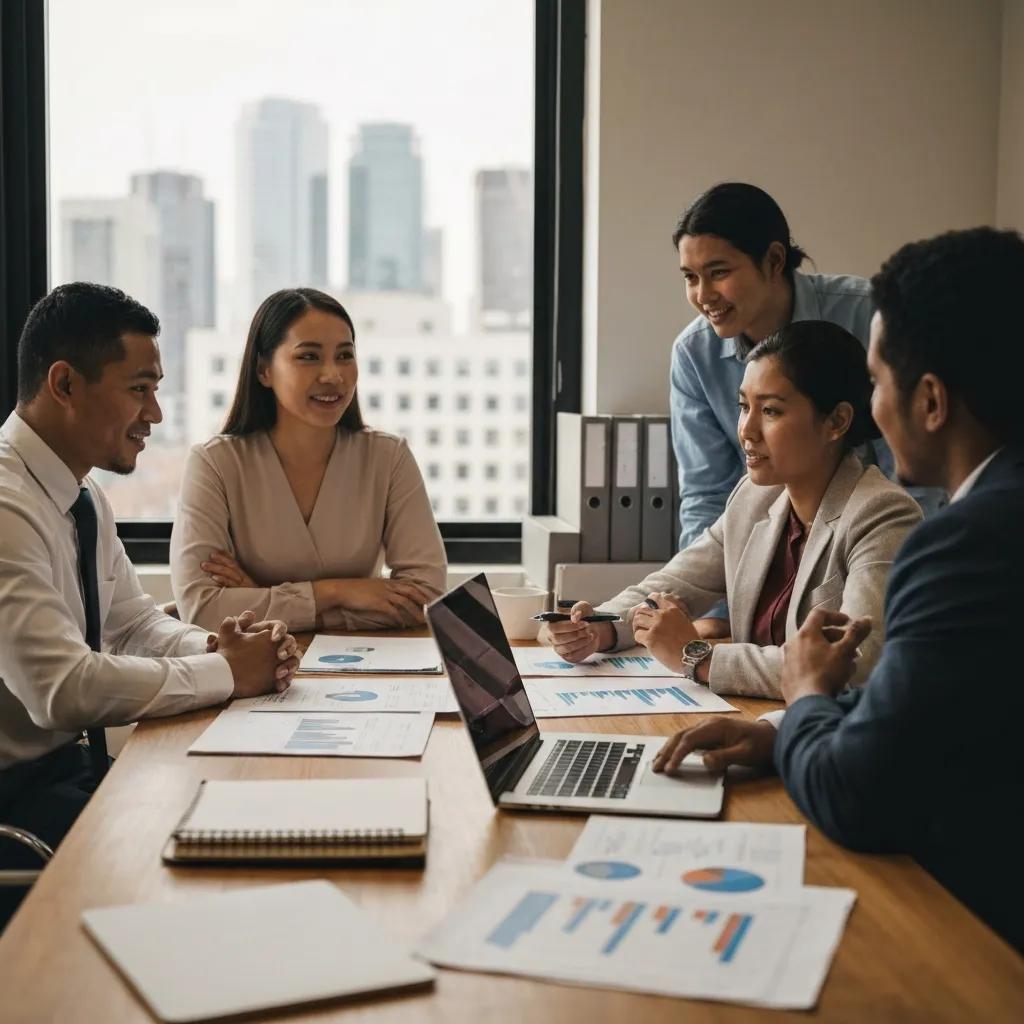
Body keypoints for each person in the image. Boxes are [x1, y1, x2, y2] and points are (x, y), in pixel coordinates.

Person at [654, 227, 1024, 953]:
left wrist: (805, 699)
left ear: (931, 401)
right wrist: (776, 733)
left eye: (878, 382)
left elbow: (856, 792)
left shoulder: (965, 544)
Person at [0, 283, 299, 927]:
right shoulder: (5, 504)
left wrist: (225, 649)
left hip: (72, 771)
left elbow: (134, 624)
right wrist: (225, 674)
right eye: (140, 388)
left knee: (251, 818)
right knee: (221, 878)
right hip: (18, 806)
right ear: (64, 383)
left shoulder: (80, 497)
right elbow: (61, 689)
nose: (156, 414)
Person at [540, 320, 921, 697]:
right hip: (750, 721)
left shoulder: (882, 514)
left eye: (770, 411)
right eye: (743, 407)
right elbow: (672, 586)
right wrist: (598, 628)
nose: (747, 430)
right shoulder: (755, 499)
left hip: (824, 740)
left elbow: (855, 664)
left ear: (836, 421)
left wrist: (699, 658)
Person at [669, 183, 942, 637]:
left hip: (875, 545)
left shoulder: (870, 315)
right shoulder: (693, 354)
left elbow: (916, 471)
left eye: (718, 272)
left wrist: (910, 587)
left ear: (774, 261)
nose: (704, 295)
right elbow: (706, 494)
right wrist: (714, 617)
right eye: (690, 278)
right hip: (779, 553)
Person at [171, 288, 446, 633]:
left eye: (345, 356)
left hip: (364, 667)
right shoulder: (215, 464)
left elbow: (425, 597)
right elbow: (201, 609)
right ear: (263, 370)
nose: (333, 375)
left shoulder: (388, 458)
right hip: (252, 675)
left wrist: (260, 598)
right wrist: (338, 592)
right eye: (309, 357)